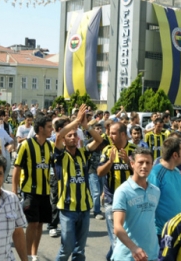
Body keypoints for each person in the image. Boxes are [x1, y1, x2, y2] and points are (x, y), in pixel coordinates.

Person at [54, 104, 103, 260]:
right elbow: (58, 136)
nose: (73, 138)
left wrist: (85, 126)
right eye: (70, 136)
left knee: (80, 251)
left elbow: (99, 139)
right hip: (67, 209)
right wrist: (76, 121)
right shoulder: (60, 155)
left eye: (75, 135)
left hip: (84, 209)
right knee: (66, 249)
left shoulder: (83, 153)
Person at [12, 114, 54, 261]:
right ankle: (27, 255)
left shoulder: (50, 146)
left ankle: (34, 254)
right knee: (33, 222)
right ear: (40, 128)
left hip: (45, 190)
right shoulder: (26, 145)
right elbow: (16, 168)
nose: (52, 129)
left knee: (40, 223)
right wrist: (14, 191)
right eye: (49, 127)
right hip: (30, 190)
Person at [98, 122, 138, 261]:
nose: (110, 136)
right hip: (112, 201)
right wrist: (109, 162)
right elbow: (99, 172)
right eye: (109, 133)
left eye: (113, 133)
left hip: (132, 200)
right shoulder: (107, 150)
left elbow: (143, 174)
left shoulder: (134, 150)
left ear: (122, 134)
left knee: (128, 237)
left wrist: (128, 162)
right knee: (116, 239)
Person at [111, 147, 160, 261]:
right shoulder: (123, 191)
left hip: (151, 255)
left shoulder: (156, 191)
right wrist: (134, 248)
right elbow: (117, 227)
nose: (144, 166)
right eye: (140, 162)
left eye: (148, 163)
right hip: (127, 256)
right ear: (132, 164)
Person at [147, 137, 181, 241]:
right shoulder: (156, 174)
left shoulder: (177, 172)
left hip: (178, 230)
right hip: (160, 233)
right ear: (175, 155)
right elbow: (149, 205)